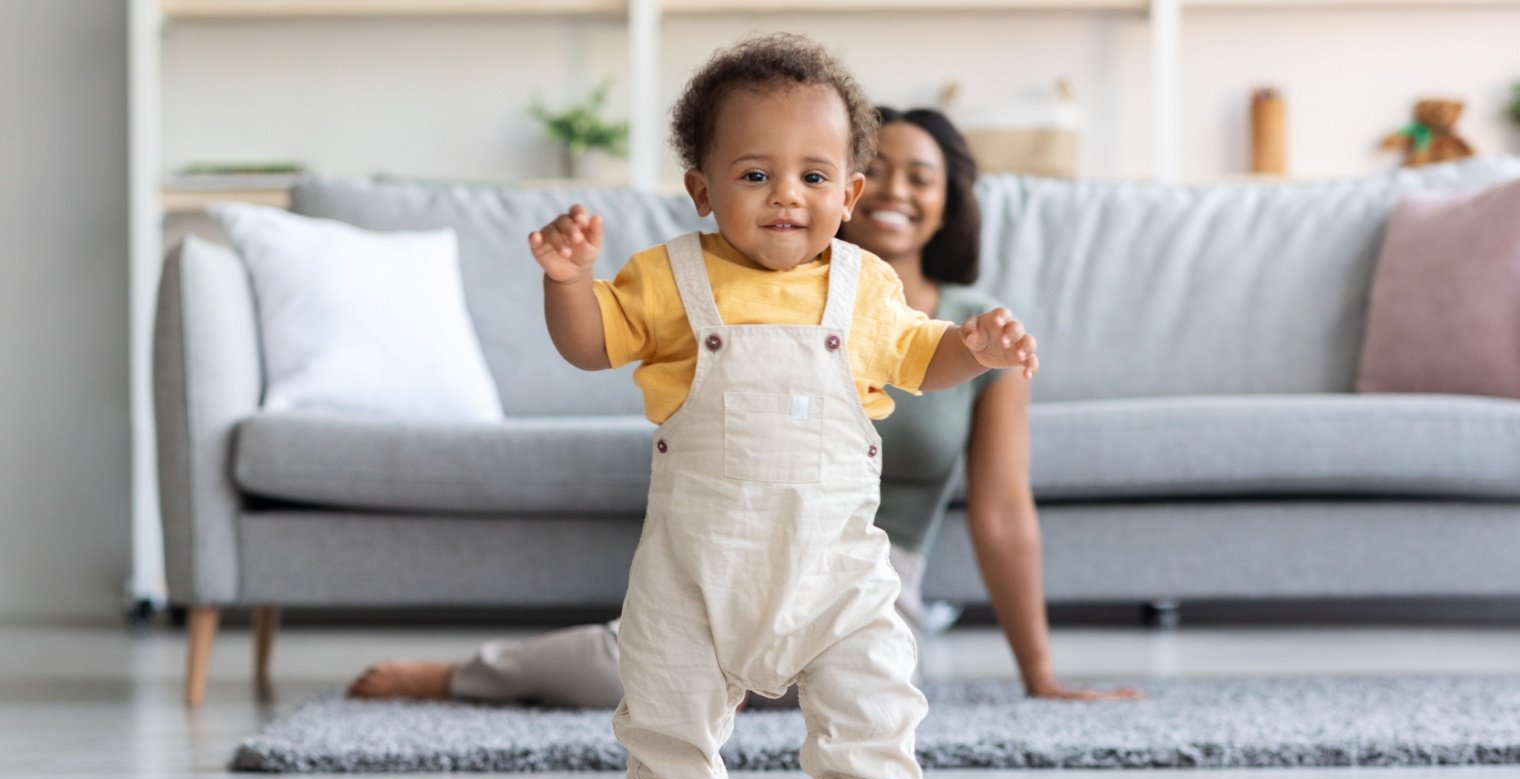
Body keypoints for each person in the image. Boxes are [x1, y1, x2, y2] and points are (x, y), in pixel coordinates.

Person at [348, 108, 1136, 709]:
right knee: (656, 663)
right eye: (881, 168)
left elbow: (1001, 512)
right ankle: (465, 675)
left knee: (851, 682)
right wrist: (569, 284)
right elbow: (605, 342)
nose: (898, 189)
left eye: (921, 176)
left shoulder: (975, 328)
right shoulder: (731, 287)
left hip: (864, 564)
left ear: (948, 199)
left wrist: (1042, 677)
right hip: (732, 531)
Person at [550, 33, 1035, 779]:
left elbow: (924, 361)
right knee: (667, 702)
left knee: (874, 694)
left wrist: (975, 347)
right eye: (753, 174)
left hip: (834, 568)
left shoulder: (866, 288)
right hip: (695, 569)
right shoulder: (668, 279)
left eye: (813, 177)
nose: (786, 196)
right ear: (702, 189)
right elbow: (591, 346)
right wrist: (568, 281)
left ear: (849, 193)